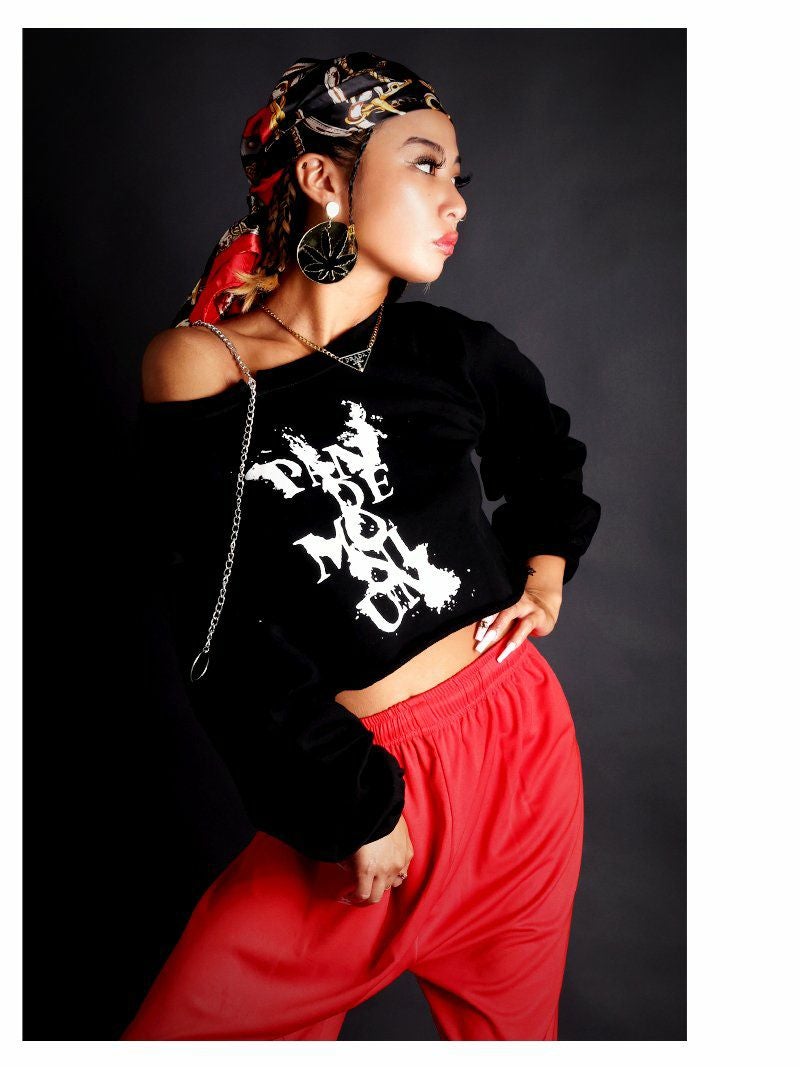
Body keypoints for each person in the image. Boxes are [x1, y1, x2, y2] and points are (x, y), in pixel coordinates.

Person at [121, 51, 602, 1041]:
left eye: (457, 174)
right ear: (322, 178)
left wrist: (546, 570)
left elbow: (547, 456)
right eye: (425, 164)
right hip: (369, 783)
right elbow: (220, 628)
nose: (455, 200)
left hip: (520, 756)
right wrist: (356, 805)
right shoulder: (205, 366)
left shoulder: (449, 350)